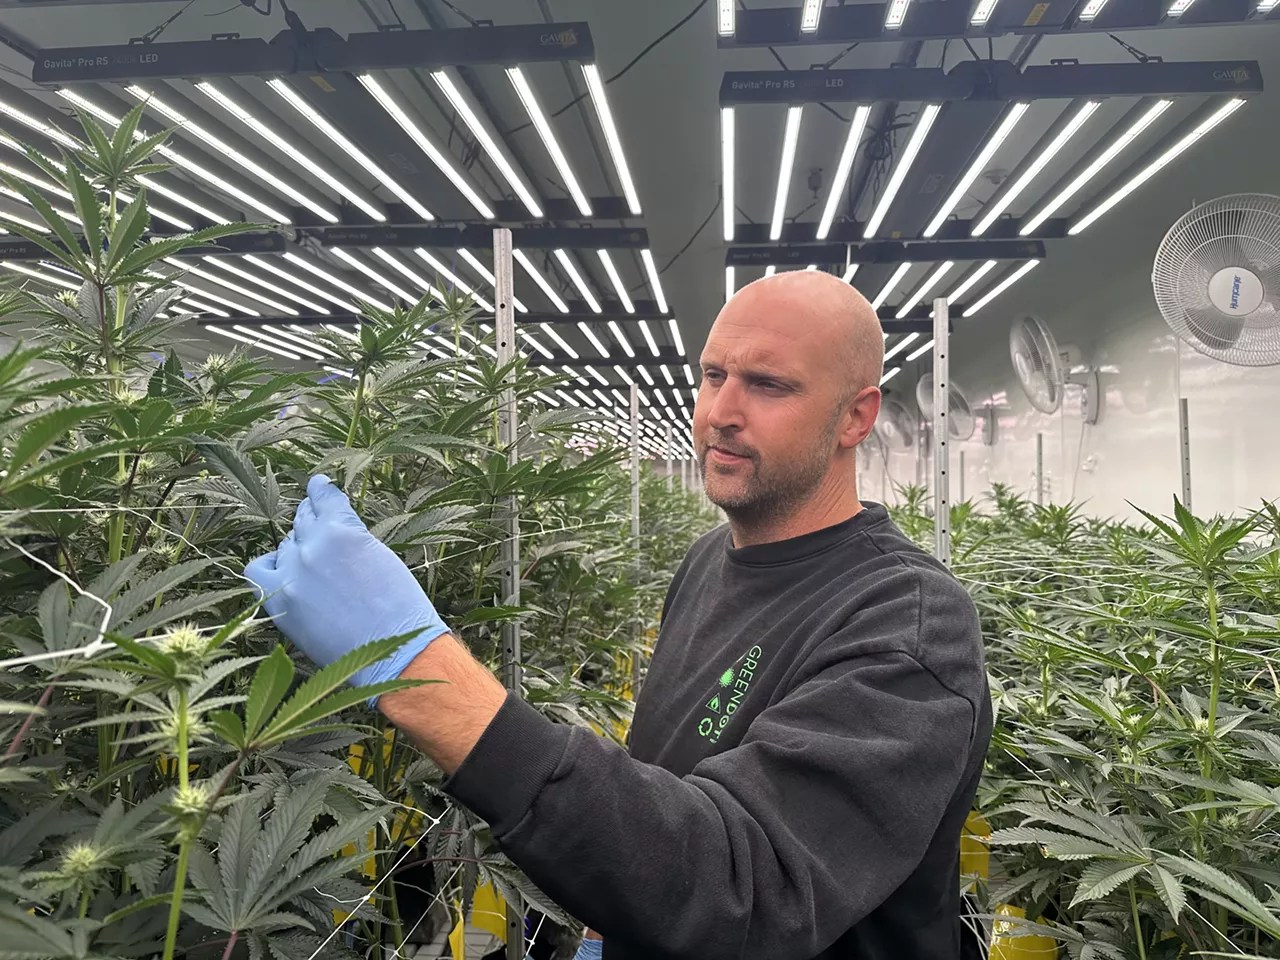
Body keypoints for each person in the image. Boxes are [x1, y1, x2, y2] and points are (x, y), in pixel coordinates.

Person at [245, 270, 992, 960]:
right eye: (713, 374)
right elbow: (664, 772)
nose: (721, 412)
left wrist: (416, 668)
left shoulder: (907, 623)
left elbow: (751, 891)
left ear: (855, 417)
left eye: (768, 385)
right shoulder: (708, 559)